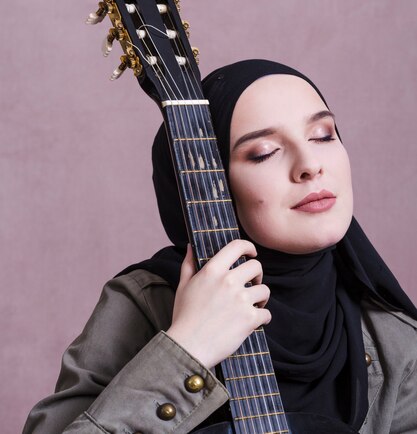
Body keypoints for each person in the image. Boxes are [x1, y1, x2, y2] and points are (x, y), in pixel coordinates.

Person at [23, 59, 417, 434]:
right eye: (264, 153)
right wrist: (186, 347)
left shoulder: (391, 336)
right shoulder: (143, 303)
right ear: (210, 183)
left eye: (323, 135)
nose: (310, 164)